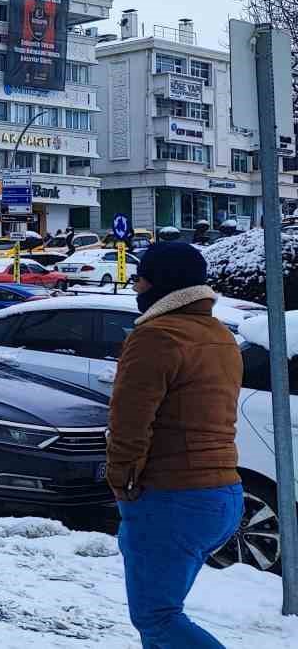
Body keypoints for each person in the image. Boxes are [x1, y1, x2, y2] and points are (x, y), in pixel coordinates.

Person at [107, 241, 243, 648]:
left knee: (158, 617)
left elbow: (130, 422)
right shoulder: (221, 336)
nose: (136, 288)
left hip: (173, 495)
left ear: (159, 284)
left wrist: (121, 481)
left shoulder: (156, 336)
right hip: (223, 494)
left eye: (140, 278)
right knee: (163, 617)